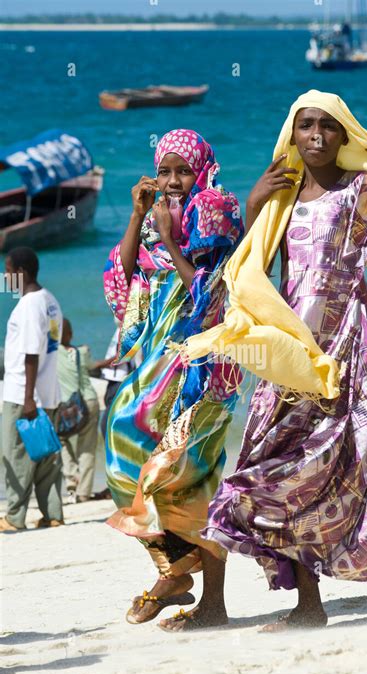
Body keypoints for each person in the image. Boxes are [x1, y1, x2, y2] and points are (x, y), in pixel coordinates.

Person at [159, 90, 367, 632]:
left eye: (327, 126)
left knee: (346, 458)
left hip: (343, 346)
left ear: (344, 135)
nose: (316, 135)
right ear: (292, 134)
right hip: (288, 349)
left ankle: (360, 568)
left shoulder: (361, 190)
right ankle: (236, 603)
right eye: (305, 125)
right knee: (261, 467)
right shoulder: (282, 193)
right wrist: (255, 202)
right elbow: (243, 272)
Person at [103, 129, 244, 624]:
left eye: (183, 170)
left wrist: (169, 237)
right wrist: (140, 215)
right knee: (122, 442)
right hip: (155, 360)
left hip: (204, 364)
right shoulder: (154, 216)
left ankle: (211, 602)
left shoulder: (217, 210)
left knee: (194, 475)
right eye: (164, 171)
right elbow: (121, 279)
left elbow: (214, 291)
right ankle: (173, 563)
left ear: (202, 168)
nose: (173, 180)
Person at [0, 247, 64, 532]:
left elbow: (30, 354)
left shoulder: (28, 306)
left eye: (8, 271)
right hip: (48, 391)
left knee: (16, 455)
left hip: (23, 394)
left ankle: (14, 517)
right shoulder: (49, 300)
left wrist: (27, 399)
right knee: (46, 459)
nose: (5, 277)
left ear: (21, 273)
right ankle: (53, 514)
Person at [57, 318, 103, 504]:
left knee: (60, 439)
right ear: (71, 335)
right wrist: (110, 360)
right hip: (88, 403)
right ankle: (83, 493)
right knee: (87, 447)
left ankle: (72, 476)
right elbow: (93, 367)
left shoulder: (50, 353)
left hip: (67, 407)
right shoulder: (81, 352)